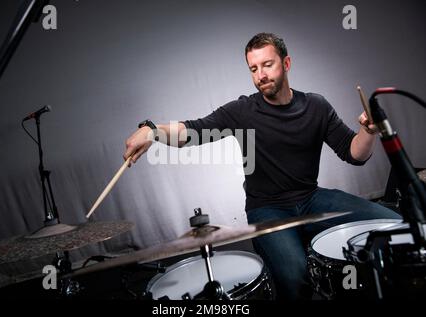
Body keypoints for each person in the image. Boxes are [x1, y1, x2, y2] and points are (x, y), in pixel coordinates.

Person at [123, 33, 400, 300]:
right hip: (268, 209)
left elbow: (354, 153)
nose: (261, 75)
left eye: (267, 65)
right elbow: (191, 131)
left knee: (392, 223)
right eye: (253, 68)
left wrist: (370, 131)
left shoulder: (316, 106)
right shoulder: (242, 111)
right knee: (295, 277)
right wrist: (152, 130)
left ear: (286, 63)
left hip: (312, 198)